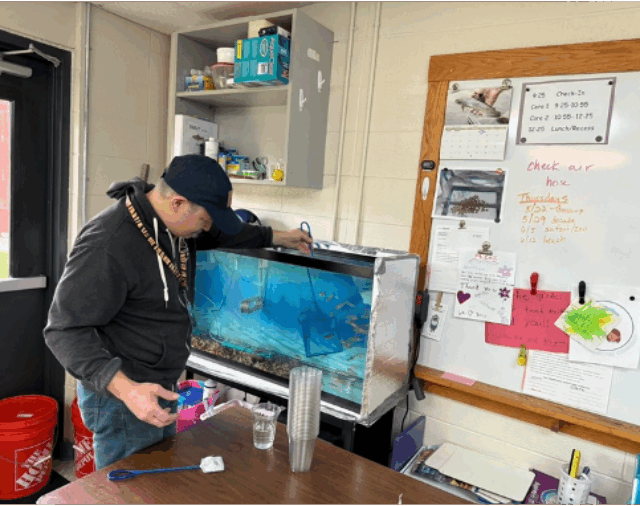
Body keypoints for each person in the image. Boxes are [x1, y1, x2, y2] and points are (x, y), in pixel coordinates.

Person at [43, 154, 312, 469]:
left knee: (157, 479)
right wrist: (127, 390)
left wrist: (278, 237)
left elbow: (225, 233)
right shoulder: (108, 244)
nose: (206, 229)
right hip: (126, 397)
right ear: (178, 203)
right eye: (205, 220)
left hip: (159, 385)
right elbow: (63, 330)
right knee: (132, 487)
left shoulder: (171, 223)